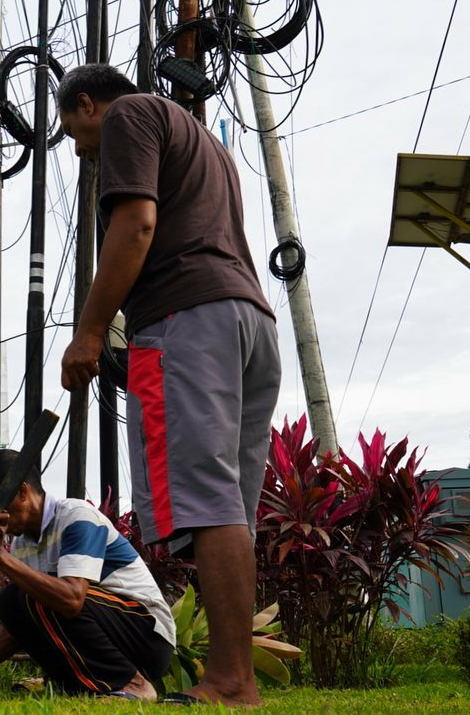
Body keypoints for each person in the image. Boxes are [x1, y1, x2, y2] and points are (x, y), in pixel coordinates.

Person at [57, 64, 281, 707]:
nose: (80, 148)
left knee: (206, 501)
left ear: (89, 104)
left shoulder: (130, 115)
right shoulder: (206, 140)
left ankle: (232, 682)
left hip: (190, 322)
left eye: (75, 131)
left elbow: (137, 226)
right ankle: (235, 677)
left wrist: (91, 330)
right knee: (230, 506)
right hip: (250, 324)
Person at [0, 449, 176, 701]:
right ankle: (89, 685)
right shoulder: (22, 545)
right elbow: (17, 626)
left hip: (147, 638)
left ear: (21, 492)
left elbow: (72, 599)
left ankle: (134, 684)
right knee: (11, 602)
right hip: (109, 637)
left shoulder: (77, 517)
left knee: (30, 595)